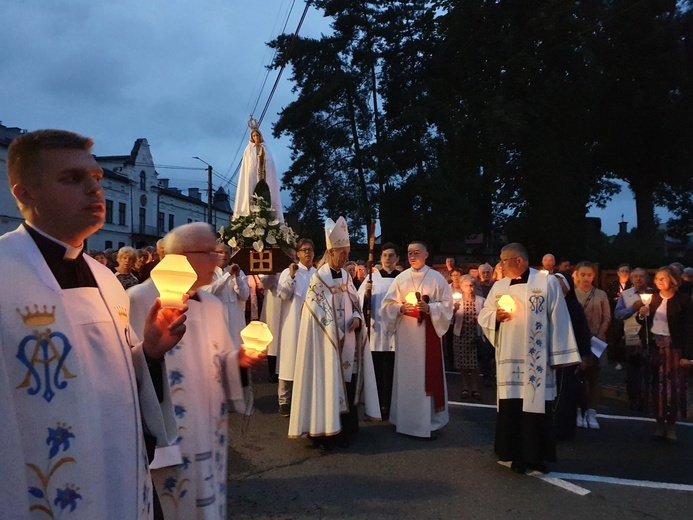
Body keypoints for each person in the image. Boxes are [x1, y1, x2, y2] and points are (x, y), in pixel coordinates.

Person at [1, 129, 187, 519]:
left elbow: (107, 379)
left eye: (97, 179)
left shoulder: (107, 282)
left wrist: (149, 352)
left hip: (117, 476)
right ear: (24, 194)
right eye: (72, 179)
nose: (94, 189)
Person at [128, 222, 263, 520]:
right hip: (168, 435)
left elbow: (221, 358)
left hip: (209, 425)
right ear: (183, 257)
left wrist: (238, 361)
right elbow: (128, 372)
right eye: (210, 252)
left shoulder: (213, 303)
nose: (217, 260)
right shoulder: (139, 300)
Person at [478, 243, 580, 474]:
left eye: (504, 261)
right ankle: (509, 453)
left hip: (537, 361)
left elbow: (559, 318)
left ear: (519, 261)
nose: (500, 266)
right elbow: (484, 313)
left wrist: (558, 355)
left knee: (535, 407)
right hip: (509, 357)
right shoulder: (499, 286)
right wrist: (496, 316)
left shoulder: (546, 283)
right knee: (511, 405)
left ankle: (535, 458)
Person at [288, 217, 380, 449]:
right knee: (326, 382)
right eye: (343, 252)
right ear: (332, 251)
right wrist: (335, 331)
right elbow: (314, 313)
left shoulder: (348, 276)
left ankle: (347, 430)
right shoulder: (318, 280)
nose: (347, 256)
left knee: (347, 384)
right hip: (326, 344)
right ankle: (325, 432)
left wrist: (358, 319)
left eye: (348, 251)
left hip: (347, 341)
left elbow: (355, 303)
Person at [381, 241, 453, 438]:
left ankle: (430, 423)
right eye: (409, 253)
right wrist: (400, 308)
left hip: (427, 333)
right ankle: (405, 421)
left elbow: (448, 306)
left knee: (425, 377)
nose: (412, 256)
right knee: (407, 378)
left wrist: (430, 309)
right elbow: (387, 306)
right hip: (407, 336)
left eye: (416, 252)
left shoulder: (437, 278)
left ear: (426, 254)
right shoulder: (401, 278)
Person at [636, 266, 693, 443]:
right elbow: (643, 323)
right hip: (654, 347)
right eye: (657, 279)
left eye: (663, 278)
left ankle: (671, 427)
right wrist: (641, 314)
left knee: (672, 390)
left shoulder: (683, 300)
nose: (659, 282)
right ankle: (659, 426)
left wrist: (688, 355)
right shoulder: (652, 299)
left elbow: (689, 328)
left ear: (673, 281)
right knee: (655, 389)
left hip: (673, 349)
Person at [358, 242, 401, 420]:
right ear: (380, 258)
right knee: (375, 372)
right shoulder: (371, 279)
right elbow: (360, 305)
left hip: (396, 332)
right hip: (376, 332)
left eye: (391, 255)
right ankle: (375, 409)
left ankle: (390, 408)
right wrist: (366, 294)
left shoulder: (402, 279)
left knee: (392, 372)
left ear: (397, 258)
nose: (388, 259)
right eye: (385, 255)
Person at [276, 238, 316, 416]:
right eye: (303, 250)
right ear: (297, 253)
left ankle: (306, 398)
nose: (307, 253)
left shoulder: (318, 273)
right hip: (293, 322)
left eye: (310, 250)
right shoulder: (288, 271)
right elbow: (283, 295)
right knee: (289, 360)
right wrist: (291, 278)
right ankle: (284, 400)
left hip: (313, 323)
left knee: (310, 361)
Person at [573, 261, 611, 429]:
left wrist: (600, 334)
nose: (586, 278)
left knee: (594, 378)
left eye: (589, 275)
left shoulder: (601, 294)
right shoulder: (572, 295)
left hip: (596, 340)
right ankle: (578, 410)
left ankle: (591, 411)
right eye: (583, 275)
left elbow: (607, 317)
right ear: (576, 275)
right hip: (577, 341)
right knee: (577, 377)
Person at [613, 268, 651, 410]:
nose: (639, 279)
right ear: (631, 279)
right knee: (633, 369)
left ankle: (647, 398)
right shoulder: (626, 294)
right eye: (635, 276)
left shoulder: (654, 293)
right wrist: (633, 309)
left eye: (641, 276)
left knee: (648, 369)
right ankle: (633, 398)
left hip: (651, 337)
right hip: (632, 335)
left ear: (647, 278)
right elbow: (617, 314)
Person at [234, 119, 284, 221]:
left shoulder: (266, 148)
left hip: (264, 177)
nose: (256, 137)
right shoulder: (248, 150)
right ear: (252, 137)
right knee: (251, 193)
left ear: (260, 136)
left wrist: (262, 158)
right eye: (254, 136)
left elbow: (270, 163)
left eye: (257, 135)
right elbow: (248, 167)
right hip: (252, 178)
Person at [207, 243, 250, 347]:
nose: (224, 255)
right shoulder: (208, 272)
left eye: (227, 253)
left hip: (234, 320)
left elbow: (245, 295)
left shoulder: (239, 272)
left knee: (234, 350)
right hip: (215, 320)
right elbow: (208, 292)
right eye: (220, 252)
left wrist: (237, 277)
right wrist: (228, 275)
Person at [451, 274, 485, 400]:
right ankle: (465, 387)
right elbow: (449, 320)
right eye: (466, 285)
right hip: (461, 334)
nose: (469, 288)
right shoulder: (456, 302)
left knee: (475, 364)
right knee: (463, 364)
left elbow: (486, 316)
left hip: (475, 334)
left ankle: (475, 388)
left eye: (471, 285)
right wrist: (454, 310)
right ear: (461, 287)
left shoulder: (481, 300)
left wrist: (480, 319)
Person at [606, 264, 633, 370]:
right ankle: (616, 360)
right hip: (616, 313)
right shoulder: (612, 285)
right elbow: (608, 297)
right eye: (622, 271)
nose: (624, 273)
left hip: (629, 314)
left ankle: (629, 360)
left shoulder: (631, 285)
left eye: (626, 271)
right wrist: (616, 299)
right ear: (618, 273)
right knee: (616, 336)